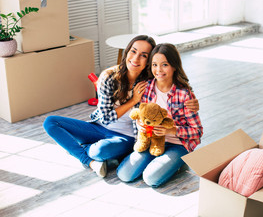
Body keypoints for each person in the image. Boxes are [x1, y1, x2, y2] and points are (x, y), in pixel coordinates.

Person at [43, 35, 199, 178]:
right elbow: (105, 118)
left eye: (144, 55)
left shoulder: (149, 81)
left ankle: (88, 152)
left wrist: (193, 101)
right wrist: (132, 101)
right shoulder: (109, 76)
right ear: (127, 52)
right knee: (50, 122)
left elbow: (172, 82)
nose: (136, 58)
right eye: (133, 51)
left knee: (98, 151)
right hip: (99, 127)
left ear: (148, 61)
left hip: (127, 137)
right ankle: (90, 162)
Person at [116, 43, 203, 187]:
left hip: (178, 144)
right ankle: (160, 162)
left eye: (164, 65)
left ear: (174, 66)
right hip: (152, 141)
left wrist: (171, 130)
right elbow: (140, 115)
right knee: (124, 175)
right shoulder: (146, 87)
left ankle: (177, 163)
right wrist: (140, 125)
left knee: (150, 178)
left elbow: (198, 132)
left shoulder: (184, 94)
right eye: (154, 65)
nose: (158, 70)